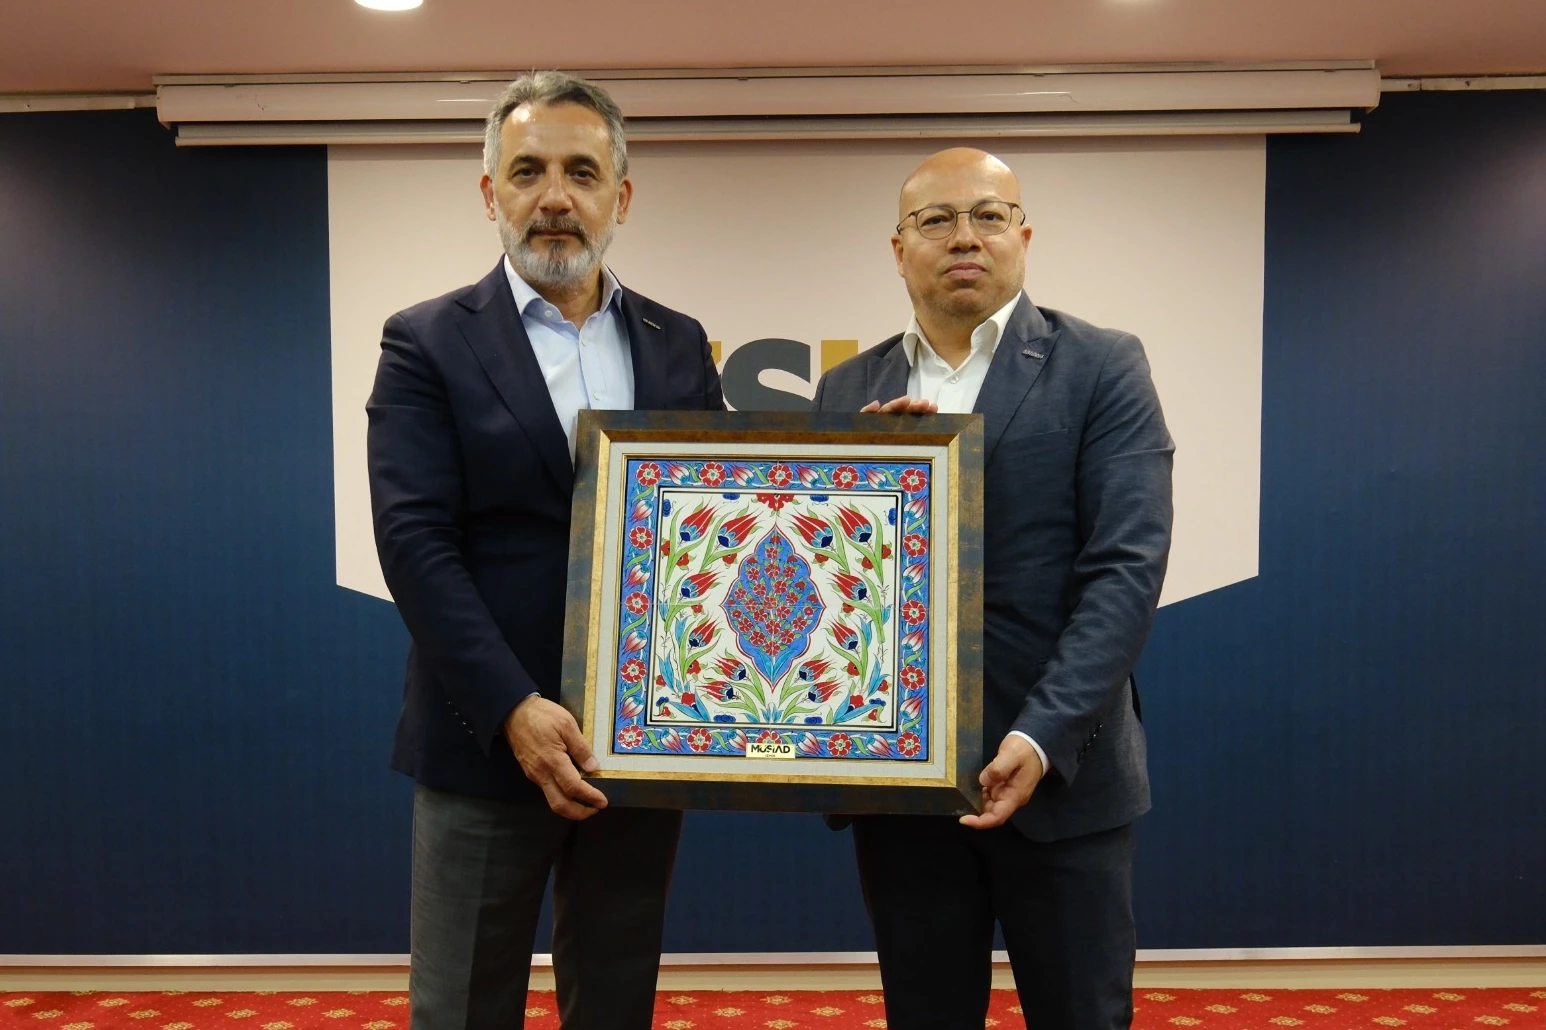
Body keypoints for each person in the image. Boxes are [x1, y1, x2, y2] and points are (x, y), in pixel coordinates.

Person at [366, 71, 724, 1030]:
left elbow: (726, 521)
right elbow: (414, 541)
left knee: (614, 1002)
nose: (555, 196)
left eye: (582, 172)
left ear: (621, 196)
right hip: (486, 744)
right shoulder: (427, 341)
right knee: (462, 1008)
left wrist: (883, 453)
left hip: (637, 750)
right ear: (491, 191)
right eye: (528, 171)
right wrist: (513, 708)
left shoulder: (679, 342)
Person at [811, 148, 1174, 1030]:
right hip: (903, 789)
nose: (963, 237)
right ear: (899, 248)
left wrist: (1042, 735)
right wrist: (860, 489)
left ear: (1024, 236)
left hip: (1061, 773)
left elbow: (1125, 569)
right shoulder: (847, 391)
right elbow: (825, 585)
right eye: (936, 220)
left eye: (988, 215)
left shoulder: (1102, 364)